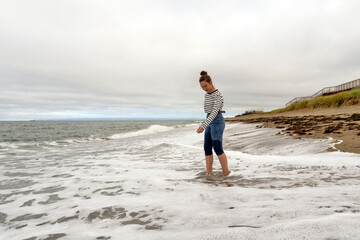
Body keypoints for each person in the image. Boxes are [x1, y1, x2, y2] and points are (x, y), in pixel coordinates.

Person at [196, 71, 230, 177]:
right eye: (202, 87)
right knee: (207, 147)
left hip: (217, 121)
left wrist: (203, 125)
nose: (204, 89)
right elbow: (208, 111)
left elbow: (215, 112)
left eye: (205, 86)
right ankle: (208, 173)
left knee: (217, 147)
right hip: (209, 119)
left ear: (211, 82)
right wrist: (206, 123)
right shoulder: (207, 94)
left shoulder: (217, 95)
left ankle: (226, 172)